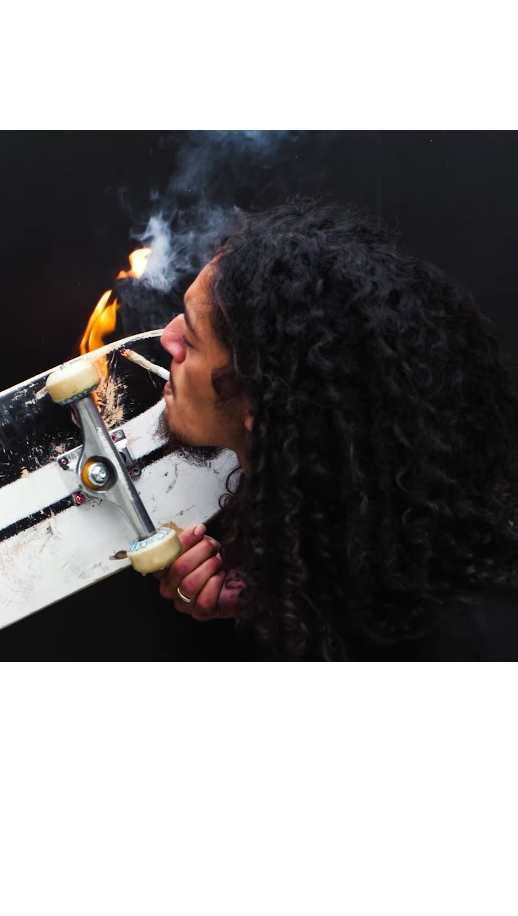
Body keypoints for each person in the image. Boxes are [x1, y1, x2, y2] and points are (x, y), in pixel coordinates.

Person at [149, 199, 518, 659]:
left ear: (262, 408)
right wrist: (269, 599)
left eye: (191, 339)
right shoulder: (350, 548)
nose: (167, 338)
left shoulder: (463, 646)